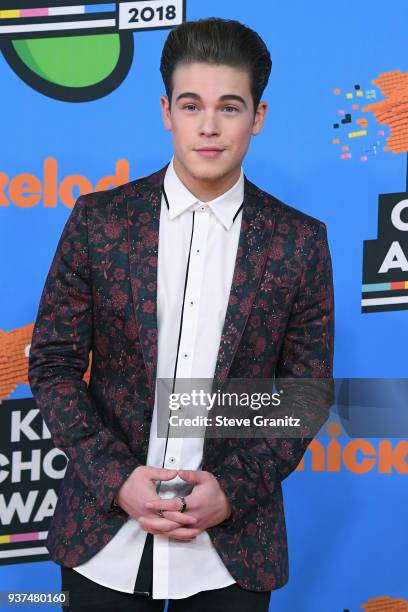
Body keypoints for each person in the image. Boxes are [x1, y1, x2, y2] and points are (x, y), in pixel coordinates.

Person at [28, 16, 335, 612]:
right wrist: (116, 476)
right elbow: (54, 364)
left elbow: (305, 394)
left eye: (230, 106)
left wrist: (235, 489)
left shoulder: (299, 243)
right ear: (167, 110)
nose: (210, 126)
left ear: (258, 117)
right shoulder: (99, 222)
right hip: (102, 538)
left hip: (233, 548)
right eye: (192, 105)